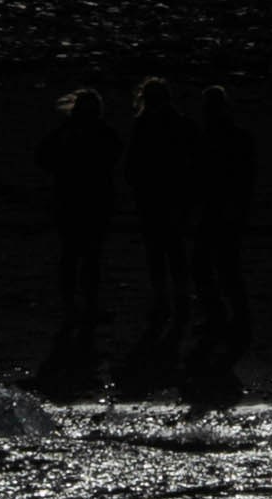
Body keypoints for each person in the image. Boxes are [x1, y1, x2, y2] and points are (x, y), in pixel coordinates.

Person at [111, 75, 204, 399]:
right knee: (174, 253)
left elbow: (132, 166)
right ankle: (177, 301)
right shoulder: (180, 125)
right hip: (172, 199)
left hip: (154, 200)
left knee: (159, 253)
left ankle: (166, 300)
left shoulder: (147, 126)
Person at [28, 85, 121, 399]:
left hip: (70, 200)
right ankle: (85, 306)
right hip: (93, 201)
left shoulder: (68, 133)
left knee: (73, 256)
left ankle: (73, 306)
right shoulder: (102, 134)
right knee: (88, 257)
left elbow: (42, 156)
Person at [178, 85, 253, 414]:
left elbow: (197, 177)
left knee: (212, 266)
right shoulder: (233, 137)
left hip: (217, 211)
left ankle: (222, 315)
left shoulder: (210, 138)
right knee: (223, 266)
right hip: (225, 211)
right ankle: (231, 315)